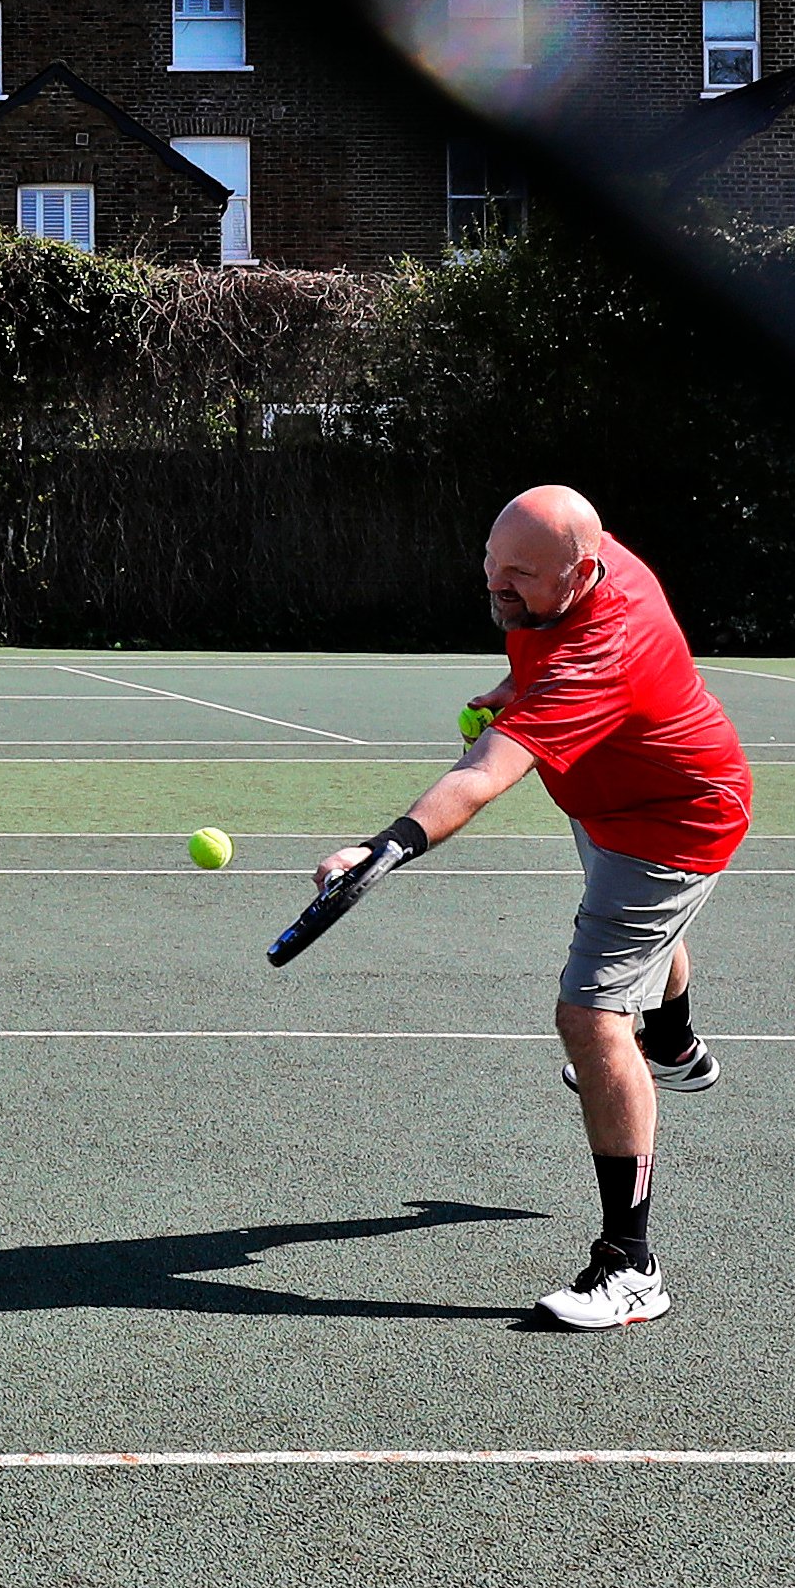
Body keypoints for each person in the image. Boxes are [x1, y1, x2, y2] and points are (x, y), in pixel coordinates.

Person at [301, 482, 746, 1331]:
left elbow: (479, 776)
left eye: (521, 576)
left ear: (581, 574)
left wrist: (384, 846)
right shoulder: (584, 571)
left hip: (671, 822)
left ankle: (631, 1266)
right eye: (491, 565)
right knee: (630, 931)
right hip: (610, 796)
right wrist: (517, 682)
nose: (497, 587)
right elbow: (541, 654)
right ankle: (676, 1042)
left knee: (589, 1016)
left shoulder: (598, 655)